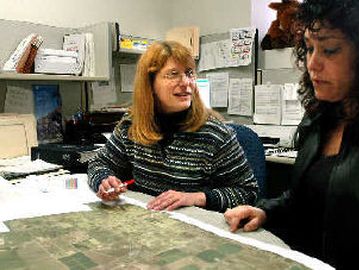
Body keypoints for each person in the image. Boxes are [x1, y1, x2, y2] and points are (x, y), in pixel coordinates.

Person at [224, 0, 359, 269]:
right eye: (308, 48)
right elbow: (306, 200)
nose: (312, 64)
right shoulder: (319, 118)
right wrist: (266, 211)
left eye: (329, 50)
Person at [88, 41, 258, 213]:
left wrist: (195, 198)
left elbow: (247, 192)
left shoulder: (215, 134)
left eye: (189, 73)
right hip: (147, 222)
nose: (186, 82)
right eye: (173, 74)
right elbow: (98, 163)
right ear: (150, 84)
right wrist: (104, 180)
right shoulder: (131, 125)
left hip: (194, 230)